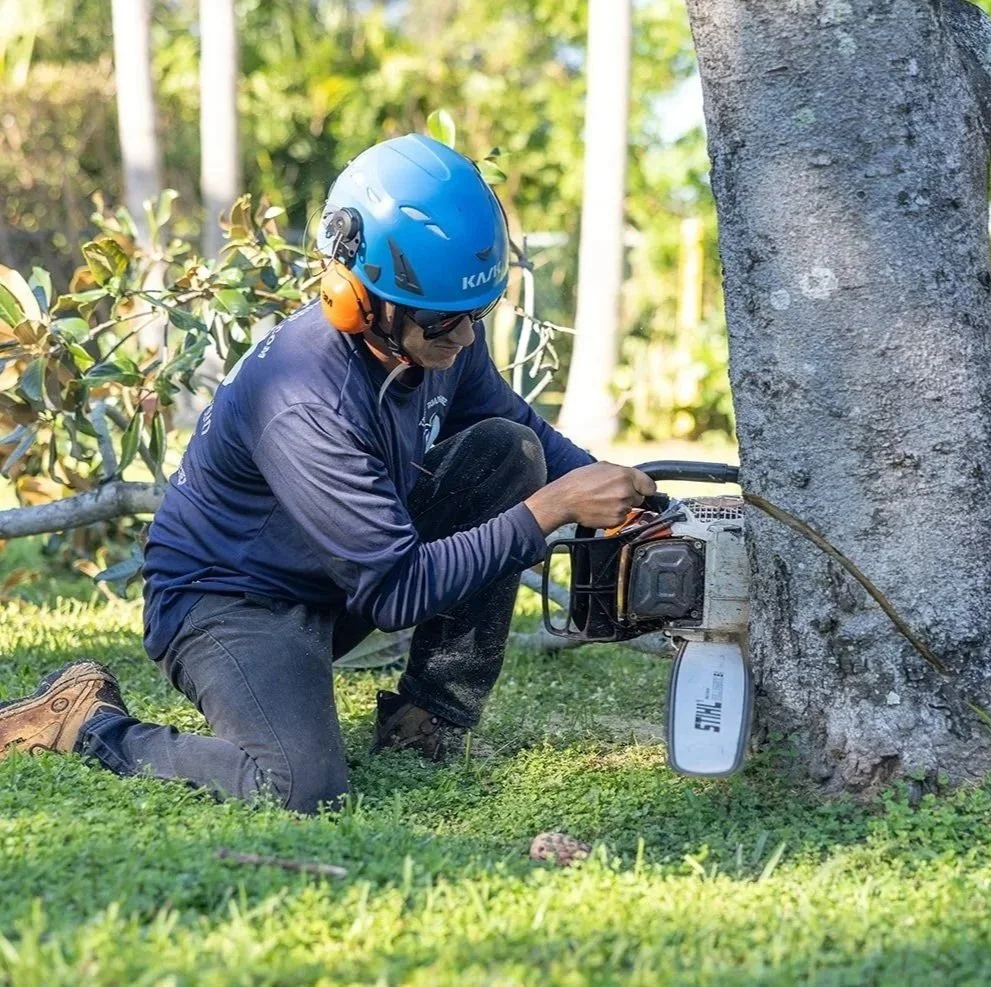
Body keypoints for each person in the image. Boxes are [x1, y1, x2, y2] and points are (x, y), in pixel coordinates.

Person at [0, 134, 655, 813]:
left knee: (510, 451)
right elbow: (396, 590)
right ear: (353, 297)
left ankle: (425, 719)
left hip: (334, 576)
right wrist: (551, 509)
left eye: (477, 316)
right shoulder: (303, 399)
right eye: (442, 324)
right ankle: (87, 724)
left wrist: (626, 498)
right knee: (298, 787)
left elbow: (526, 433)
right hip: (230, 599)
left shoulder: (440, 332)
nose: (462, 340)